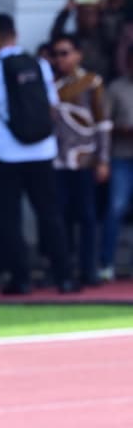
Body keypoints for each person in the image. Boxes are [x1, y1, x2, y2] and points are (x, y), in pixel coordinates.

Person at [0, 13, 73, 294]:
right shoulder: (40, 64)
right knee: (50, 214)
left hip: (5, 154)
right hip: (42, 150)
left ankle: (21, 279)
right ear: (16, 34)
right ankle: (64, 276)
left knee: (9, 218)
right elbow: (52, 108)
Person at [50, 33, 111, 287]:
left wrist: (103, 160)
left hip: (85, 160)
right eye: (56, 54)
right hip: (57, 161)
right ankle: (64, 270)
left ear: (78, 55)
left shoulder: (91, 82)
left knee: (87, 217)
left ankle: (89, 270)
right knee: (60, 217)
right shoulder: (50, 84)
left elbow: (103, 123)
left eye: (65, 53)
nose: (60, 59)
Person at [100, 47, 133, 279]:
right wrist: (122, 130)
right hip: (121, 157)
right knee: (116, 208)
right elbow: (103, 124)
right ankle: (107, 264)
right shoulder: (115, 88)